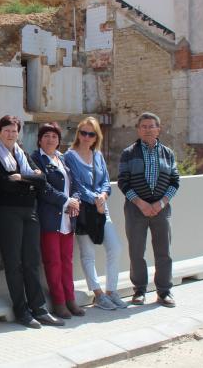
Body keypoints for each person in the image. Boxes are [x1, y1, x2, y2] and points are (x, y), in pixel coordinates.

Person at [0, 115, 64, 328]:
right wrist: (29, 180)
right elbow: (3, 185)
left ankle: (39, 309)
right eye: (7, 130)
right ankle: (22, 311)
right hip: (7, 213)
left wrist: (21, 177)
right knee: (14, 263)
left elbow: (42, 180)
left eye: (14, 130)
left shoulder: (23, 154)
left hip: (29, 212)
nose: (11, 134)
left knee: (31, 261)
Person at [64, 116, 127, 311]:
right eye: (83, 133)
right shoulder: (70, 156)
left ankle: (111, 291)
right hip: (83, 210)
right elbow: (77, 184)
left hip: (101, 209)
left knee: (115, 247)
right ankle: (98, 293)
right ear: (78, 134)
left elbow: (106, 182)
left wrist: (102, 197)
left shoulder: (98, 155)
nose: (86, 137)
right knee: (88, 253)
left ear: (96, 137)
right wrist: (94, 200)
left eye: (90, 134)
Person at [118, 112, 180, 308]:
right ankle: (140, 290)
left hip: (161, 209)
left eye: (151, 126)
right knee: (137, 251)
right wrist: (141, 203)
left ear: (158, 129)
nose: (147, 129)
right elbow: (123, 182)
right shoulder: (129, 153)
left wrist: (160, 203)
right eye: (143, 126)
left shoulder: (168, 153)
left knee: (164, 252)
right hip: (136, 209)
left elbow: (175, 182)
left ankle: (164, 291)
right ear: (138, 129)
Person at [30, 123, 84, 319]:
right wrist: (66, 201)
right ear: (39, 139)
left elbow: (76, 184)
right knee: (53, 262)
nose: (50, 139)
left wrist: (75, 200)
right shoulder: (36, 159)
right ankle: (59, 302)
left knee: (67, 262)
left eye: (54, 136)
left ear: (59, 140)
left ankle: (71, 300)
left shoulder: (63, 159)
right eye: (46, 136)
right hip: (50, 219)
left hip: (68, 218)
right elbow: (42, 187)